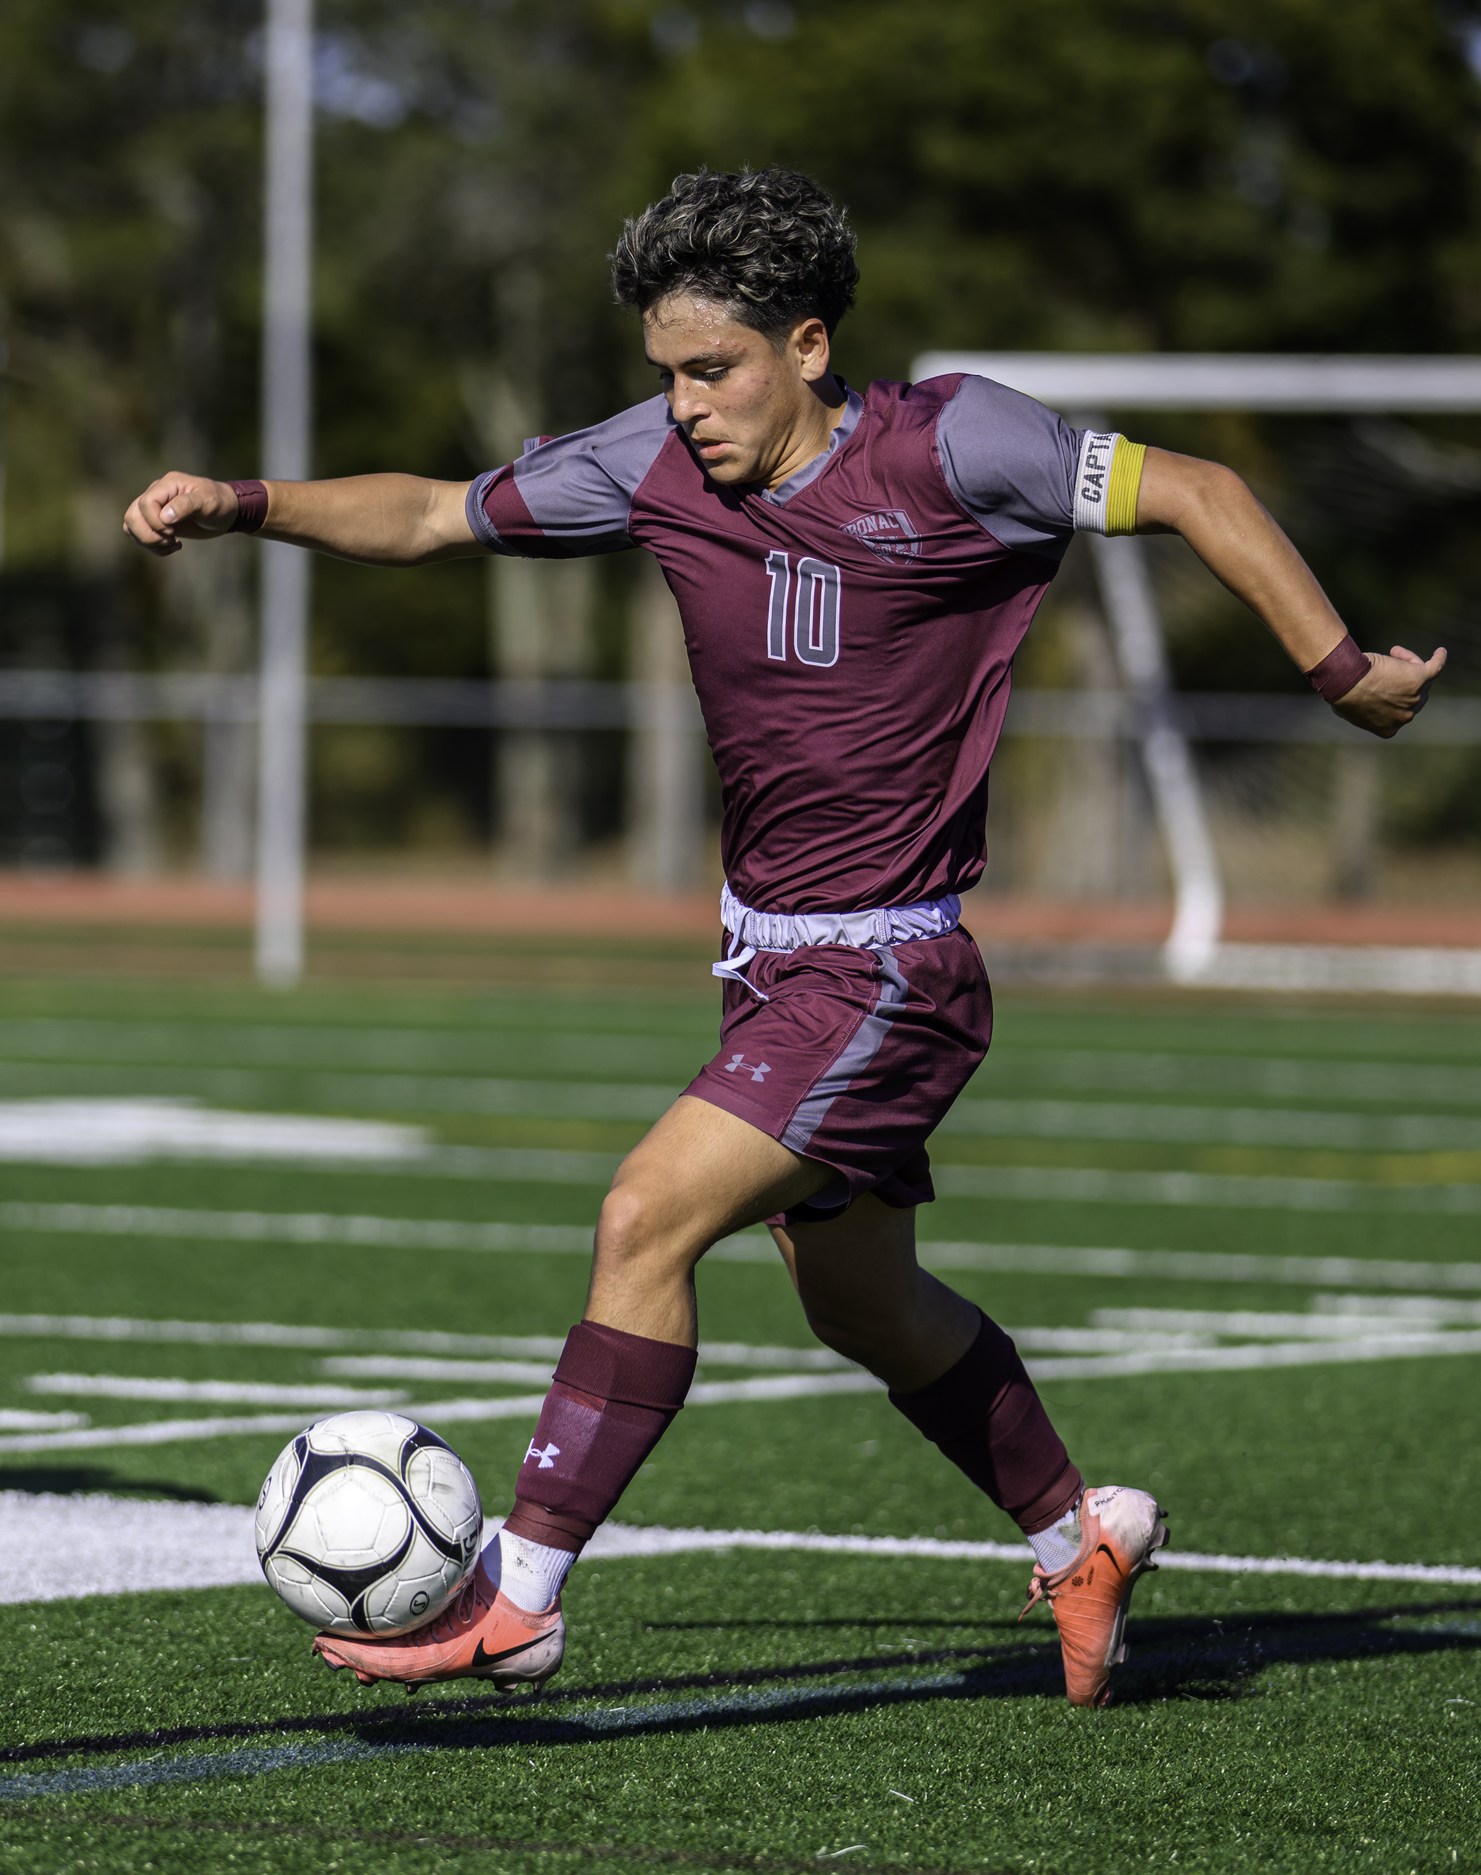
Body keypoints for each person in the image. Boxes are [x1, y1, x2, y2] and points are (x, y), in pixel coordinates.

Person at [124, 167, 1444, 1708]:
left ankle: (520, 1594)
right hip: (771, 962)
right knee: (862, 1301)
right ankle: (1079, 1532)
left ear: (809, 346)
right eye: (664, 376)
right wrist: (245, 504)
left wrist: (1338, 667)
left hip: (890, 967)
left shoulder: (961, 442)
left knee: (644, 1219)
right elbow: (429, 515)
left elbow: (1204, 492)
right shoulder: (654, 464)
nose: (682, 406)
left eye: (711, 370)